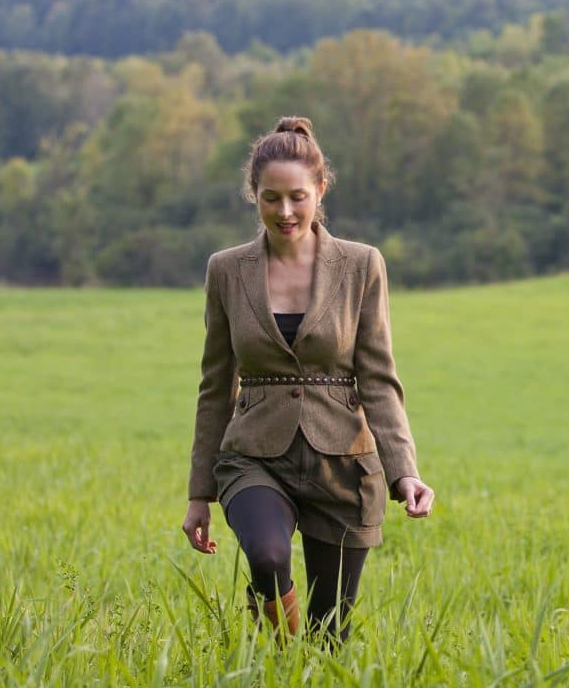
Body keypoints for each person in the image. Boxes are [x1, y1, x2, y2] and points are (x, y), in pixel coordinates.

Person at [181, 116, 435, 643]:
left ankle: (292, 668)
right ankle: (280, 649)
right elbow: (215, 385)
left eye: (297, 196)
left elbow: (378, 377)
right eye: (270, 198)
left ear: (321, 189)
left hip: (343, 461)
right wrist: (199, 492)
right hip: (253, 453)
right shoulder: (226, 271)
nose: (285, 211)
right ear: (254, 195)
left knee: (329, 633)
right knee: (268, 556)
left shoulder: (361, 265)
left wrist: (404, 472)